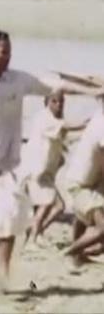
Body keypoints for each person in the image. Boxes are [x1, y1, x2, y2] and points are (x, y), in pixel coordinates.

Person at [0, 29, 104, 293]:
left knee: (11, 214)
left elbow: (57, 86)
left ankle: (3, 274)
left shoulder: (17, 81)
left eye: (10, 52)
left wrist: (94, 89)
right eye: (2, 52)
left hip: (4, 165)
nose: (7, 58)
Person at [20, 90, 88, 245]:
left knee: (58, 206)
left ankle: (35, 232)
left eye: (61, 102)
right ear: (47, 102)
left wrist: (86, 132)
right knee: (48, 204)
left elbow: (66, 137)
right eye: (55, 101)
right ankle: (33, 238)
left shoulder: (54, 121)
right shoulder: (44, 118)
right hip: (36, 171)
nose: (59, 105)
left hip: (46, 174)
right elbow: (66, 128)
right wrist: (85, 124)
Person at [62, 100, 104, 265]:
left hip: (87, 180)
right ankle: (69, 253)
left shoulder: (98, 116)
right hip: (81, 184)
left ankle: (77, 256)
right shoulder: (102, 126)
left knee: (83, 218)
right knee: (102, 227)